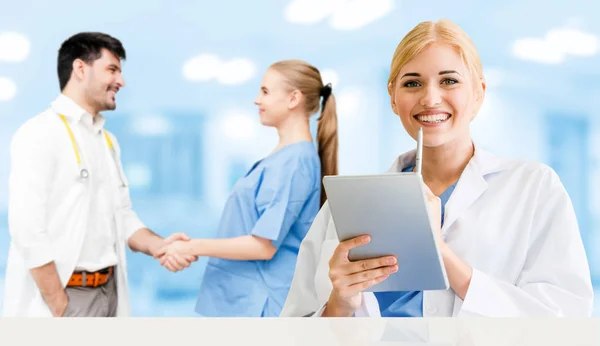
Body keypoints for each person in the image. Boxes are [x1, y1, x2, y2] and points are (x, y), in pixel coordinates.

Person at [280, 19, 594, 318]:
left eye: (449, 81)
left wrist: (440, 254)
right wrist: (340, 303)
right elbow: (295, 327)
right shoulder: (344, 205)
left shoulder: (533, 187)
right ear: (393, 97)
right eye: (412, 83)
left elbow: (566, 316)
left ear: (478, 93)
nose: (430, 98)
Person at [3, 32, 196, 317]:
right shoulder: (39, 133)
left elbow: (122, 214)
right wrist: (58, 301)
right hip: (66, 296)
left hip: (109, 291)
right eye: (112, 69)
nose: (121, 81)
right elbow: (26, 227)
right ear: (80, 69)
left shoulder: (106, 142)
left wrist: (158, 245)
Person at [155, 59, 339, 317]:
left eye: (265, 91)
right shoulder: (282, 158)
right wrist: (186, 244)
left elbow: (264, 246)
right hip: (248, 301)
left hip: (264, 304)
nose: (256, 100)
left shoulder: (296, 162)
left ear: (293, 98)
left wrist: (191, 247)